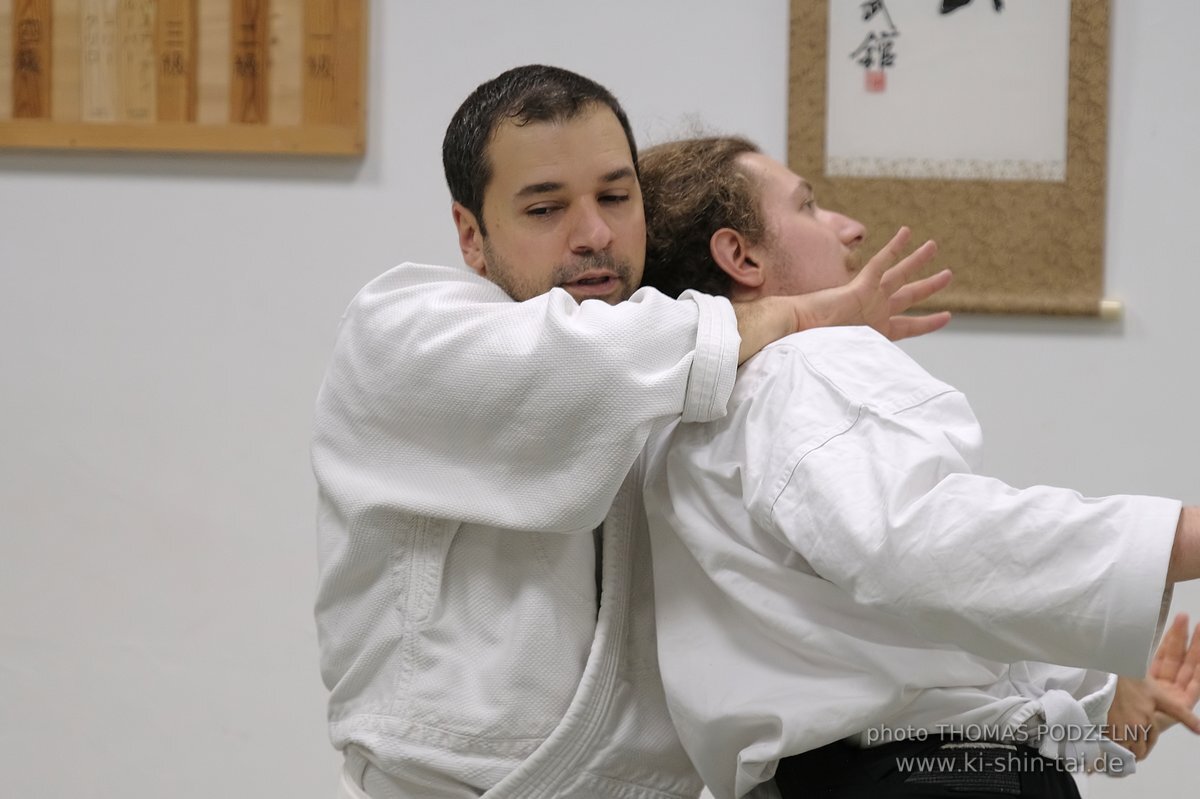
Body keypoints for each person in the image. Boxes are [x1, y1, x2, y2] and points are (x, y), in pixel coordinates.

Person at [310, 66, 952, 799]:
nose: (594, 234)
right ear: (471, 234)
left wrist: (1083, 681)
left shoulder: (695, 366)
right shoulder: (401, 332)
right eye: (546, 208)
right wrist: (803, 312)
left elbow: (876, 560)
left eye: (617, 197)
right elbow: (579, 364)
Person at [636, 135, 1200, 799]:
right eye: (811, 207)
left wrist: (1108, 711)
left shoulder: (682, 422)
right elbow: (918, 542)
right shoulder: (802, 365)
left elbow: (902, 632)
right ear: (742, 254)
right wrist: (1182, 538)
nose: (851, 226)